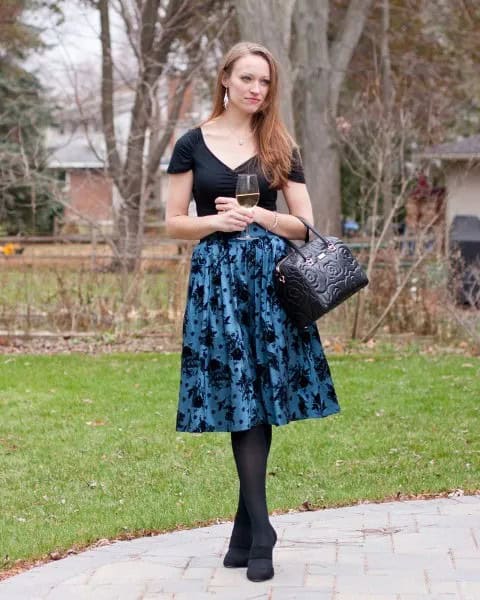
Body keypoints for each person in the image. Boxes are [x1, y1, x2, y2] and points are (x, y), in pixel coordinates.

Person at [165, 41, 340, 583]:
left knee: (259, 396)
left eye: (264, 82)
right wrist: (214, 223)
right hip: (217, 286)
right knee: (239, 396)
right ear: (225, 79)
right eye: (247, 79)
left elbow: (305, 224)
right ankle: (256, 530)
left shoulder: (277, 143)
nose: (256, 89)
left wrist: (262, 215)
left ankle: (253, 531)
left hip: (269, 286)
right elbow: (173, 221)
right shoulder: (191, 143)